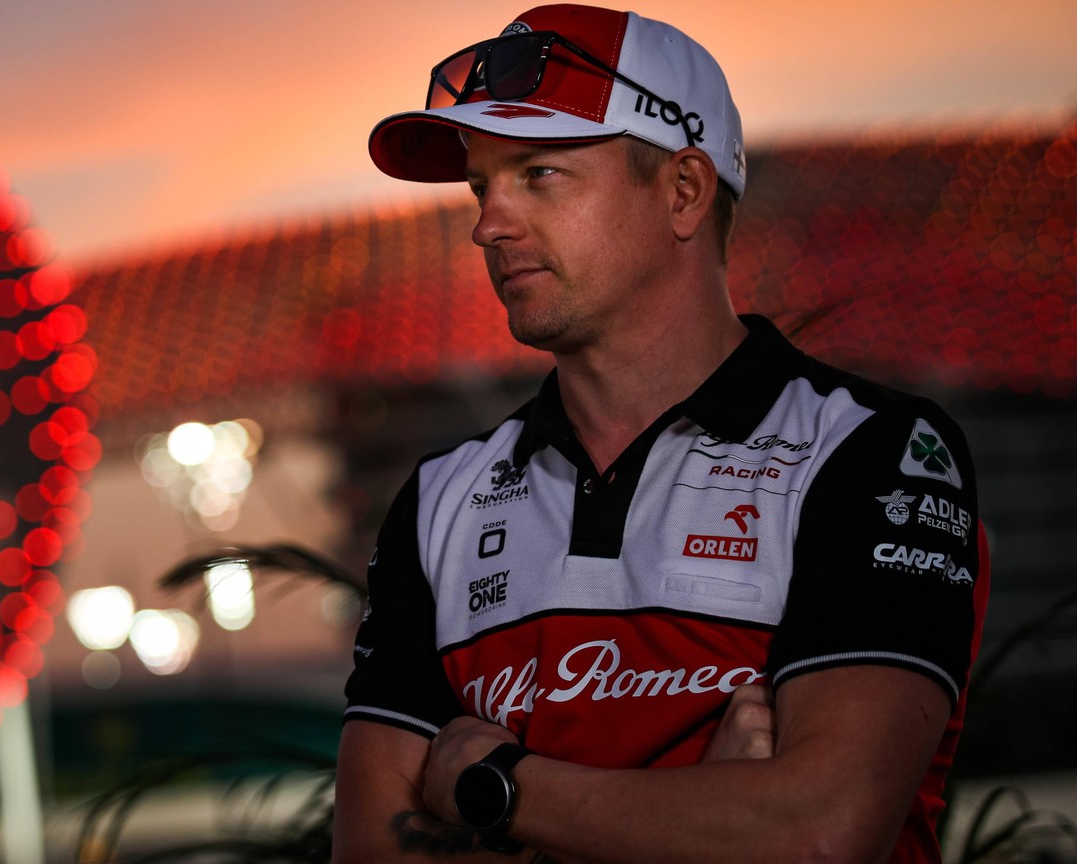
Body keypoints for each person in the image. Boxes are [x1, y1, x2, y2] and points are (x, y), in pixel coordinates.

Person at [334, 5, 989, 863]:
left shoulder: (870, 453)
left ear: (683, 191)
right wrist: (703, 818)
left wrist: (495, 785)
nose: (488, 225)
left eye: (537, 175)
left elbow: (820, 834)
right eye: (481, 185)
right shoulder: (440, 500)